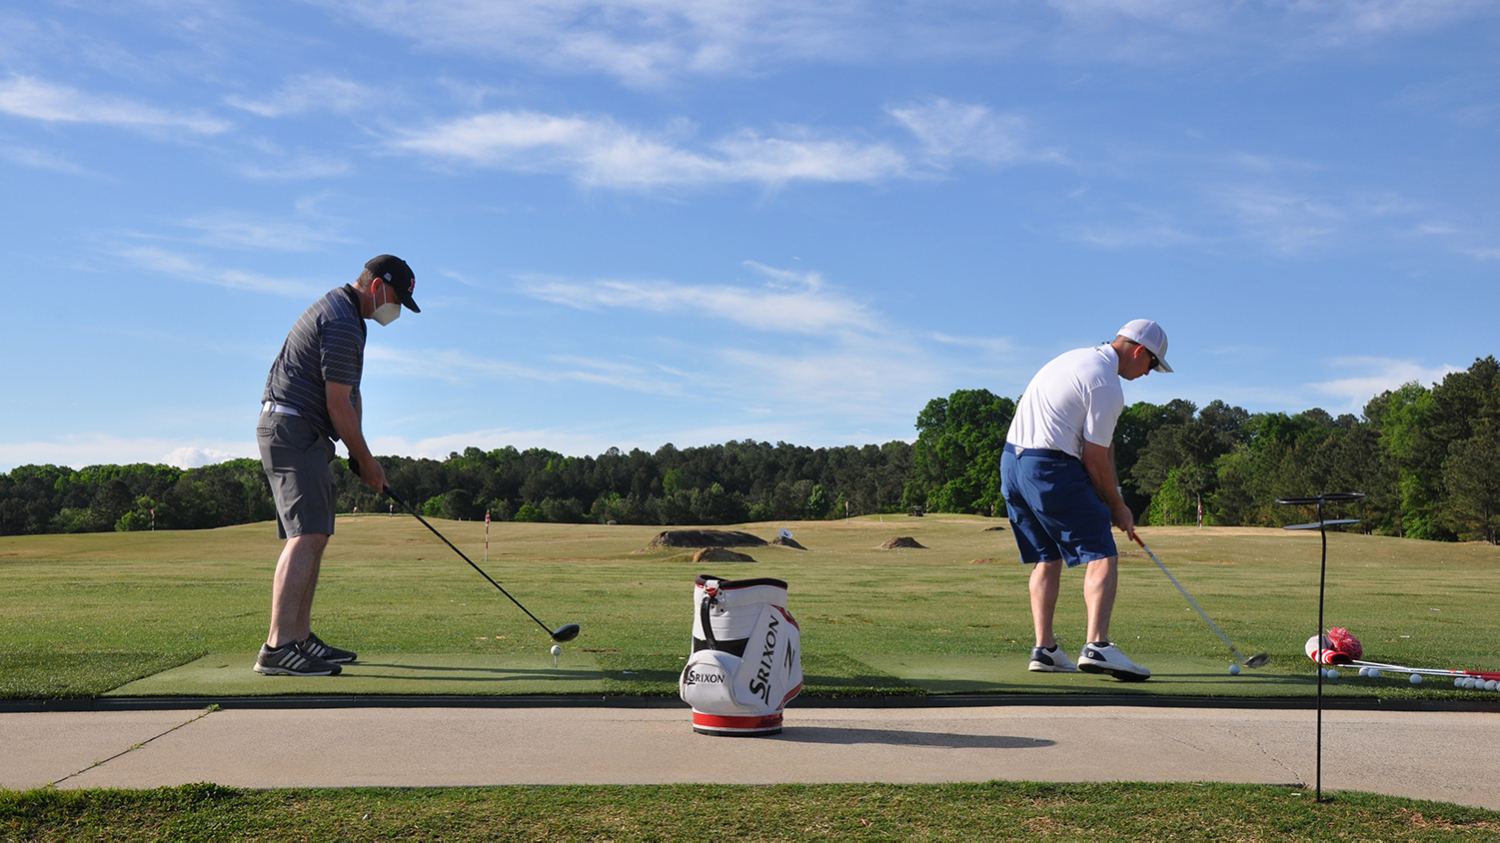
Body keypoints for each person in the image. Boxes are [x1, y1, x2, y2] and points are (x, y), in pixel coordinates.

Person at [253, 255, 419, 675]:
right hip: (293, 427)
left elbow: (351, 398)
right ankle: (278, 645)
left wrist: (358, 455)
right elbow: (336, 403)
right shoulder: (343, 320)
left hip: (304, 432)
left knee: (316, 533)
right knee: (306, 535)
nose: (395, 309)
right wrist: (366, 460)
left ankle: (300, 637)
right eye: (396, 298)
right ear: (378, 286)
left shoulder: (348, 315)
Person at [999, 319, 1171, 681]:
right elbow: (1092, 459)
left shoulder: (1074, 360)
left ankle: (1044, 650)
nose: (1149, 373)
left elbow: (1104, 447)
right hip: (1049, 466)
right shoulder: (1107, 385)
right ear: (1139, 351)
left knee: (1048, 557)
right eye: (1152, 365)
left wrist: (1116, 500)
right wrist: (1117, 508)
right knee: (1102, 552)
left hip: (1013, 466)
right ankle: (1098, 646)